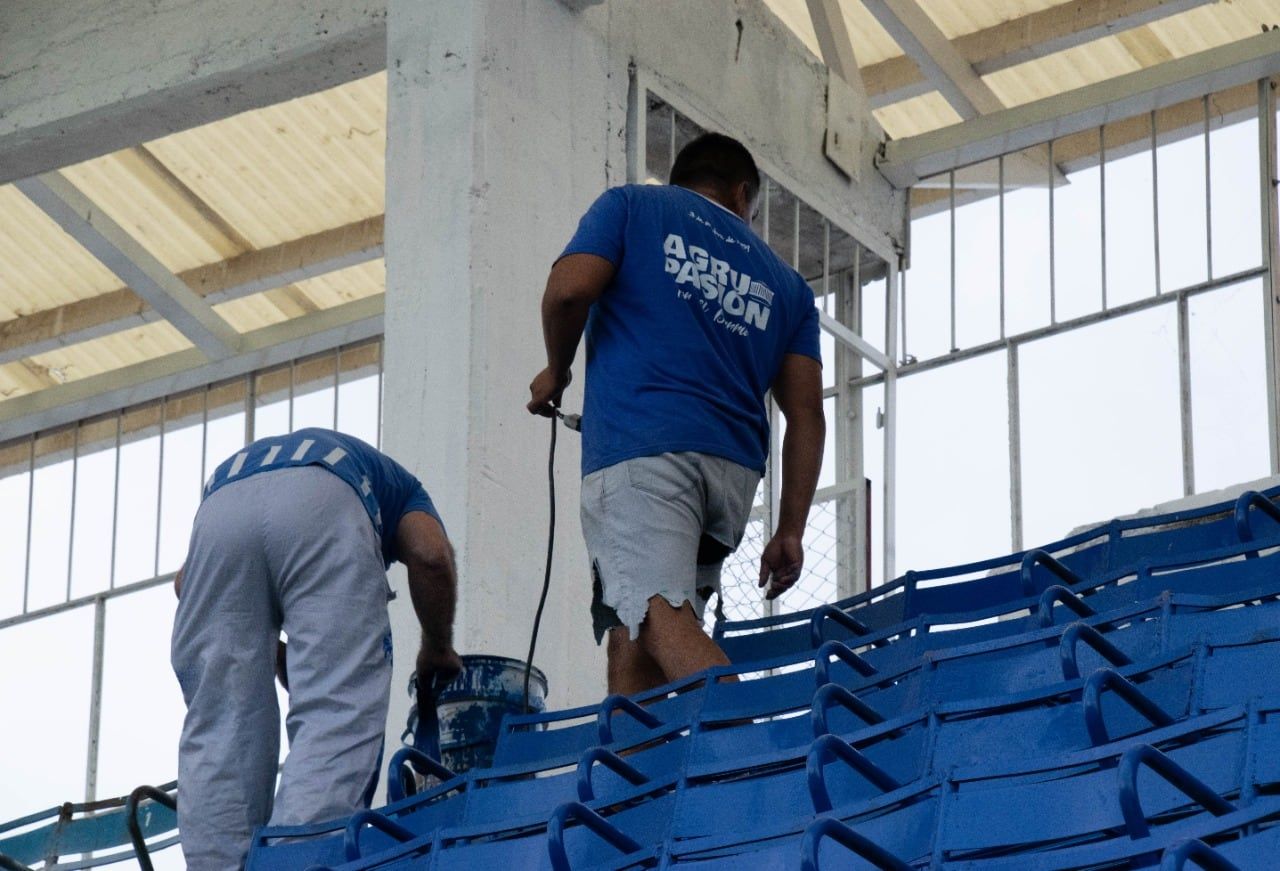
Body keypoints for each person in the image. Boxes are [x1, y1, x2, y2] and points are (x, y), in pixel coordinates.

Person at [527, 132, 826, 696]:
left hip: (646, 454)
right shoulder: (787, 286)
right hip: (731, 476)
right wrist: (789, 529)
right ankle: (636, 783)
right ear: (742, 194)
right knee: (634, 635)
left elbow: (568, 292)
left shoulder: (633, 206)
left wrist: (557, 371)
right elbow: (806, 414)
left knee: (664, 623)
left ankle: (765, 759)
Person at [170, 427, 461, 870]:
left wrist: (279, 653)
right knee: (335, 711)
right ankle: (297, 858)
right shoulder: (405, 490)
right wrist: (437, 647)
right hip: (327, 494)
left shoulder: (264, 464)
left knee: (220, 723)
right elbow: (431, 554)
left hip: (218, 508)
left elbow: (187, 585)